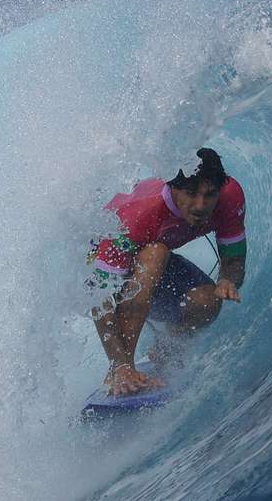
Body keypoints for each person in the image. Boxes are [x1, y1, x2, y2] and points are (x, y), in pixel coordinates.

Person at [86, 147, 247, 396]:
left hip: (141, 260)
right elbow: (98, 296)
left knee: (207, 301)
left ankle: (164, 351)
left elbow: (234, 260)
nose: (201, 205)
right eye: (191, 193)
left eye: (209, 195)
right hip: (93, 266)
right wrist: (120, 364)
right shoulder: (141, 215)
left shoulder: (229, 197)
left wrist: (227, 278)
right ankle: (120, 370)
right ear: (172, 186)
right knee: (155, 253)